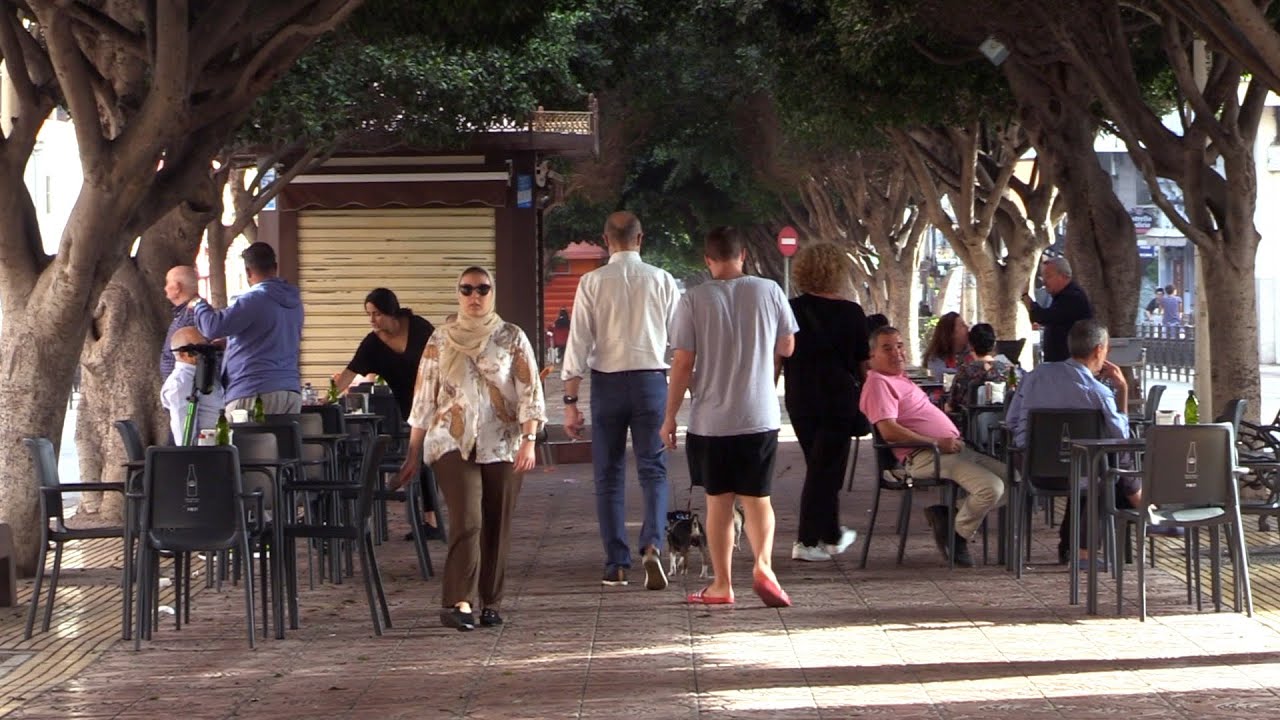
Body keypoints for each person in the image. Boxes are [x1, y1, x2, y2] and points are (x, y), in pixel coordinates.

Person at [395, 266, 545, 631]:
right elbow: (423, 398)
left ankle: (490, 601)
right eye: (466, 290)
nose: (474, 296)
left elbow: (530, 392)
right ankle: (457, 601)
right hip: (450, 440)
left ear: (493, 292)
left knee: (497, 522)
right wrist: (413, 452)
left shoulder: (511, 337)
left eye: (482, 289)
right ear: (458, 294)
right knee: (468, 519)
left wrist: (529, 441)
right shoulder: (440, 339)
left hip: (504, 442)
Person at [661, 226, 798, 607]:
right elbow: (788, 344)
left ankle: (722, 584)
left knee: (718, 502)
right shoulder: (769, 290)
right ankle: (764, 566)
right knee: (758, 499)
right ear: (744, 256)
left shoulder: (693, 299)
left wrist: (670, 416)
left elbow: (683, 361)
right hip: (760, 414)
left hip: (711, 419)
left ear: (707, 260)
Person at [561, 211, 681, 590]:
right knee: (653, 470)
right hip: (651, 381)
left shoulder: (592, 282)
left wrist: (570, 400)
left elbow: (577, 340)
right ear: (640, 239)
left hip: (607, 385)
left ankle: (615, 562)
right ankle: (652, 545)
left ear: (605, 240)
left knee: (608, 475)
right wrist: (679, 402)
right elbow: (680, 344)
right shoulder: (662, 280)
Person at [860, 326, 1006, 567]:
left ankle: (947, 516)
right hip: (926, 455)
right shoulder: (878, 384)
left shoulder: (898, 378)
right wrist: (937, 442)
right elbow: (889, 431)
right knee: (992, 487)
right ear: (872, 356)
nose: (897, 353)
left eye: (899, 346)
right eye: (887, 348)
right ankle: (957, 535)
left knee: (1015, 480)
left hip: (952, 449)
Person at [1005, 319, 1140, 563]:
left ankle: (1072, 546)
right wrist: (1122, 389)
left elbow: (1012, 421)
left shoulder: (1034, 376)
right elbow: (1121, 436)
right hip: (1085, 473)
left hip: (1033, 469)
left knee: (1091, 471)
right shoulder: (1098, 391)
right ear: (1099, 350)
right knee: (1104, 471)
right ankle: (1087, 549)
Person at [779, 242, 866, 562]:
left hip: (800, 399)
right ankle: (806, 541)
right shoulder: (852, 313)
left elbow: (778, 357)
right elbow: (862, 365)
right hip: (838, 400)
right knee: (824, 470)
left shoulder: (790, 309)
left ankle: (830, 534)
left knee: (821, 466)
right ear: (837, 272)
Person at [191, 242, 304, 414]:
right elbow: (269, 336)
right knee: (284, 441)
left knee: (242, 442)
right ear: (275, 267)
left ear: (248, 272)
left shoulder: (254, 299)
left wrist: (198, 303)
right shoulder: (294, 303)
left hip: (253, 390)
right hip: (290, 391)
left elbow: (212, 327)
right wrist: (230, 342)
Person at [332, 288, 435, 421]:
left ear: (391, 311)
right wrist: (329, 397)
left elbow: (442, 355)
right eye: (369, 314)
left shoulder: (419, 326)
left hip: (434, 399)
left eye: (377, 314)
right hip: (409, 409)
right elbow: (349, 372)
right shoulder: (372, 345)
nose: (372, 320)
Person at [1021, 257, 1093, 363]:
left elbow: (1045, 317)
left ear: (1063, 276)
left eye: (1048, 276)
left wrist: (1027, 299)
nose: (1044, 282)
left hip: (1069, 364)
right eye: (1043, 277)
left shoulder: (1072, 296)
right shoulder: (1063, 296)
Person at [160, 326, 225, 445]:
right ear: (183, 354)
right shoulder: (180, 383)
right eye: (198, 349)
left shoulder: (204, 374)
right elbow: (184, 438)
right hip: (206, 453)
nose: (205, 353)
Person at [945, 323, 1013, 413]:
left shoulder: (965, 370)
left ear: (971, 344)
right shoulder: (1006, 370)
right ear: (994, 344)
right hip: (1002, 423)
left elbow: (951, 405)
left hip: (970, 424)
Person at [160, 266, 199, 380]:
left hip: (186, 390)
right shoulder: (185, 313)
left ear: (177, 287)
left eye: (167, 283)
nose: (165, 288)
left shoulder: (191, 315)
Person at [922, 312, 970, 381]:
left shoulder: (972, 352)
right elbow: (939, 374)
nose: (967, 327)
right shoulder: (936, 356)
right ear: (951, 333)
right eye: (962, 325)